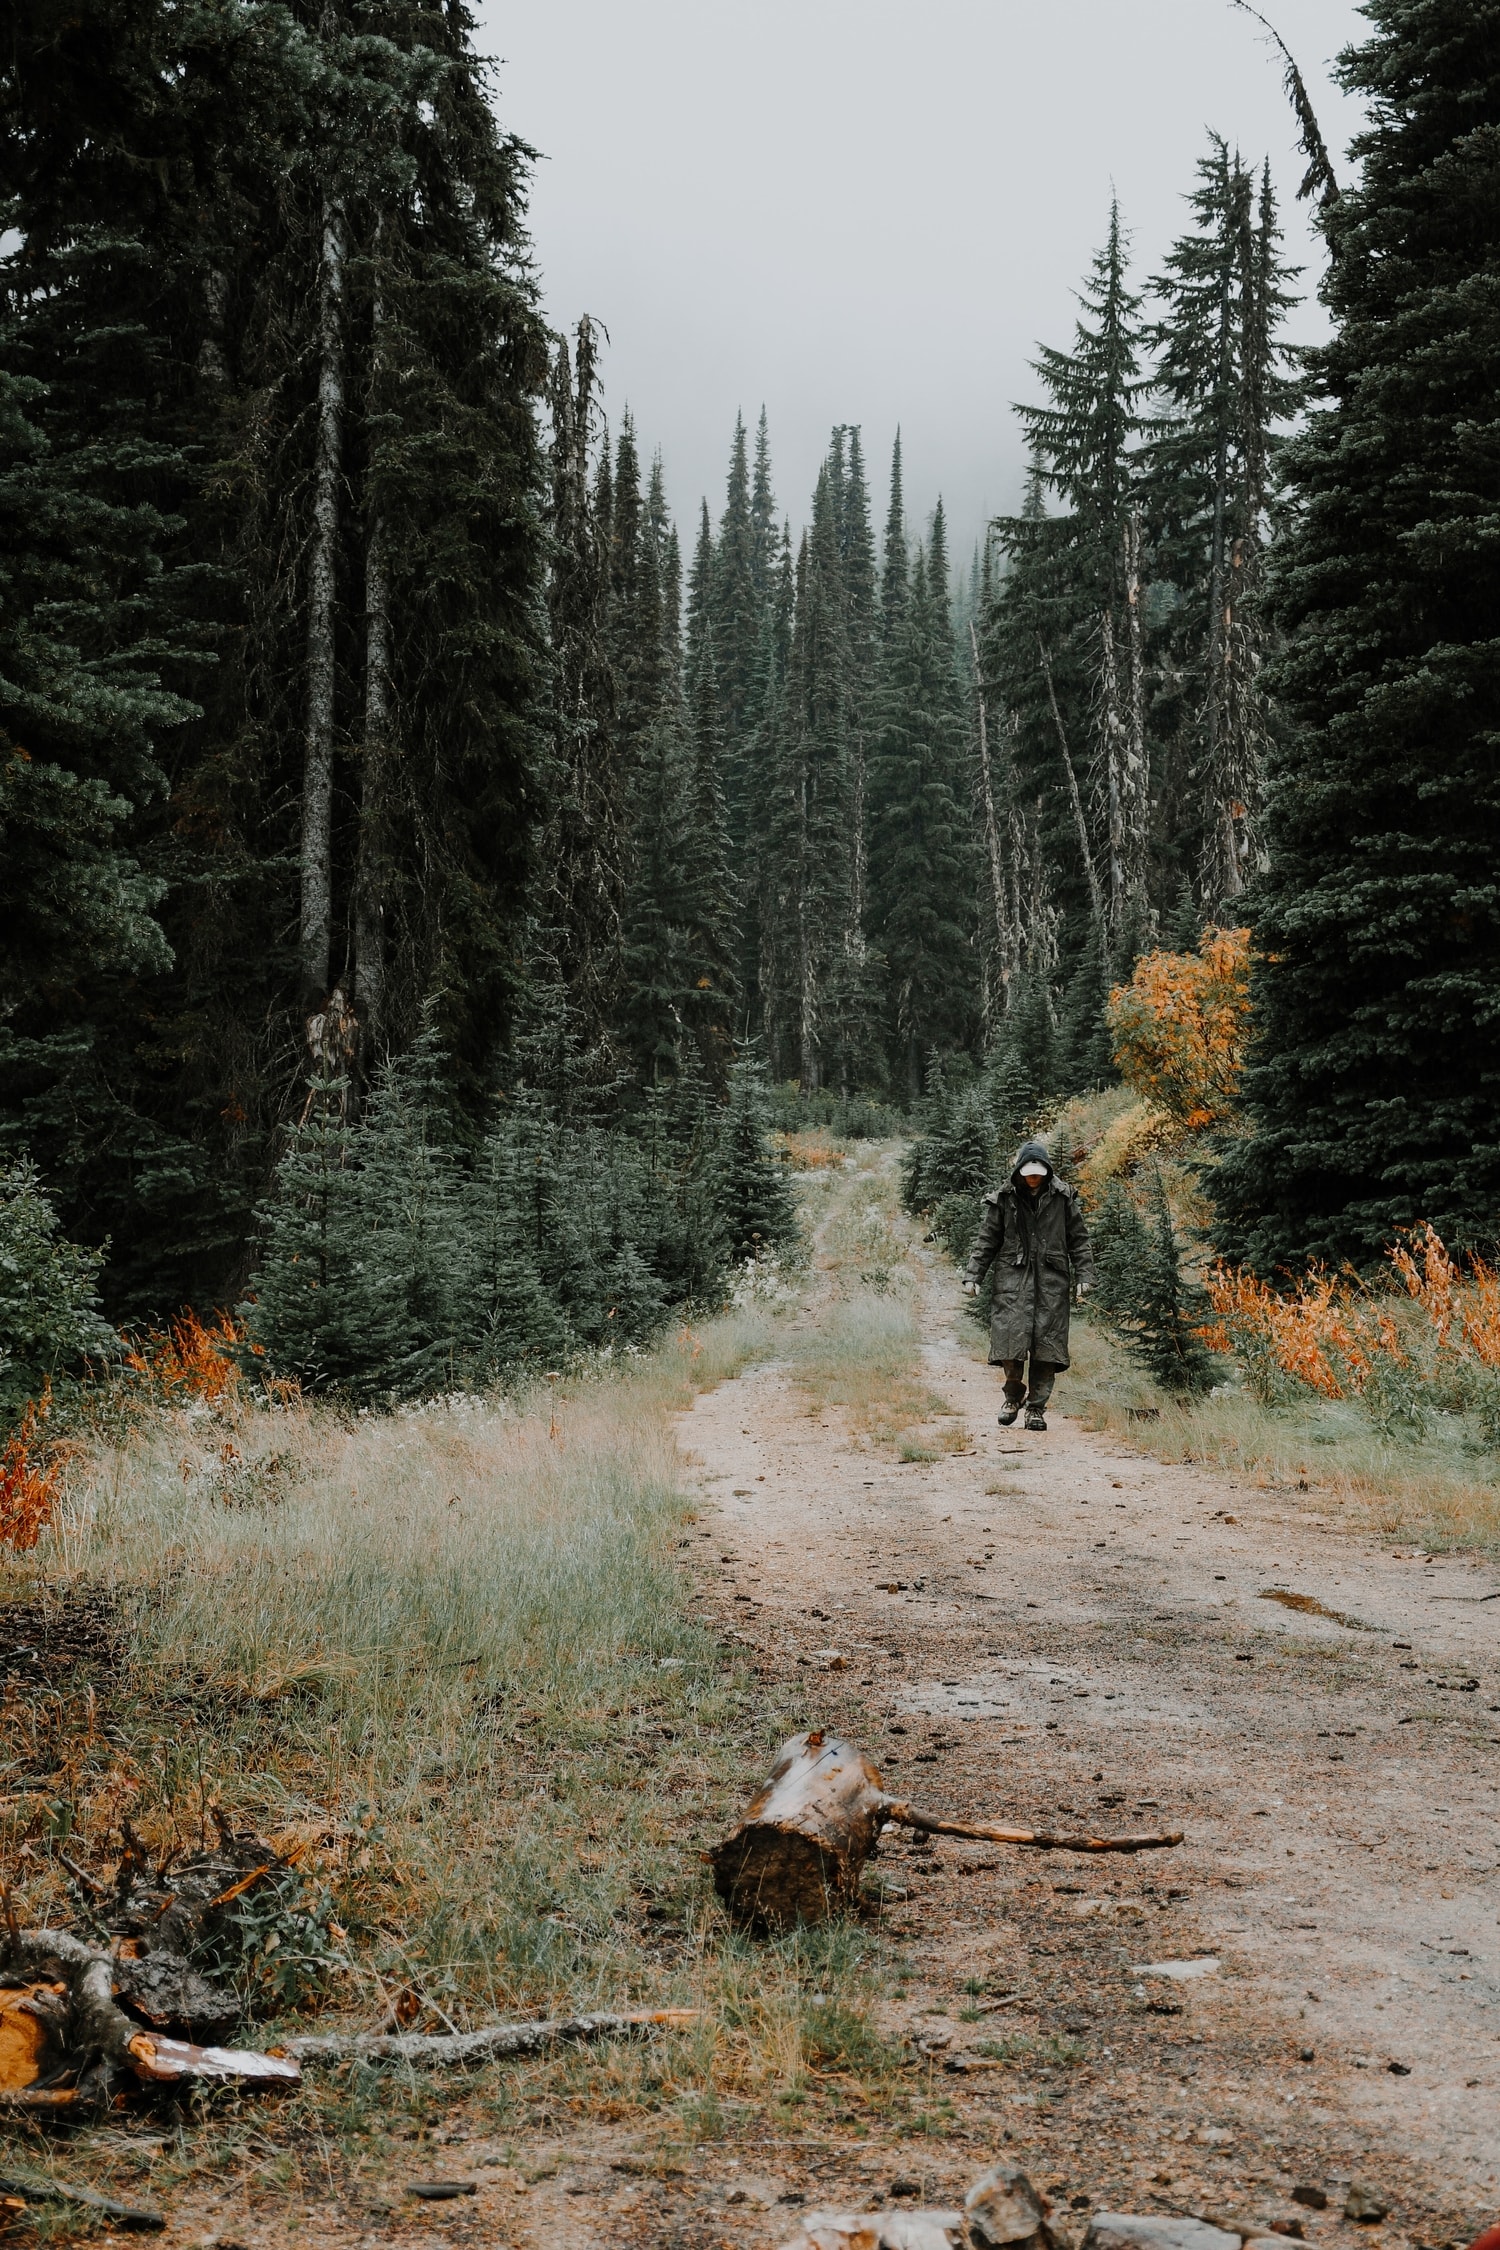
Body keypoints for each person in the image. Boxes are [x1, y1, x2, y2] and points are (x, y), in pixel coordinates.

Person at [962, 1136, 1094, 1431]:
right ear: (1020, 1171)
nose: (1033, 1178)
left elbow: (1080, 1240)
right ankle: (1012, 1396)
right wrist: (973, 1275)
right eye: (1028, 1172)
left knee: (1047, 1348)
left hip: (1052, 1282)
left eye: (1038, 1172)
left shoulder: (1063, 1198)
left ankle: (1036, 1409)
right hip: (1012, 1281)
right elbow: (987, 1239)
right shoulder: (1004, 1199)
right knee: (1010, 1343)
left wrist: (1085, 1276)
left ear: (1046, 1170)